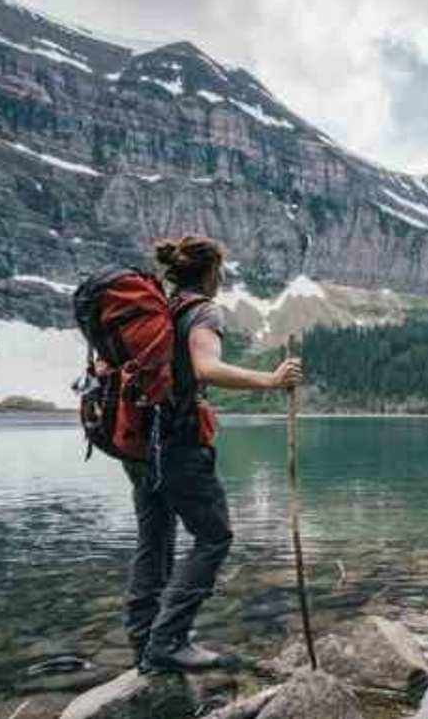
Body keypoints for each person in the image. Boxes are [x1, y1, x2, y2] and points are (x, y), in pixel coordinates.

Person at [123, 235, 303, 673]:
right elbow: (206, 368)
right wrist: (271, 381)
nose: (221, 279)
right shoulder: (202, 309)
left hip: (138, 443)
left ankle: (144, 639)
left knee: (155, 539)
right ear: (210, 273)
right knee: (214, 536)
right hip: (179, 445)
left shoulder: (158, 310)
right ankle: (168, 641)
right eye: (219, 272)